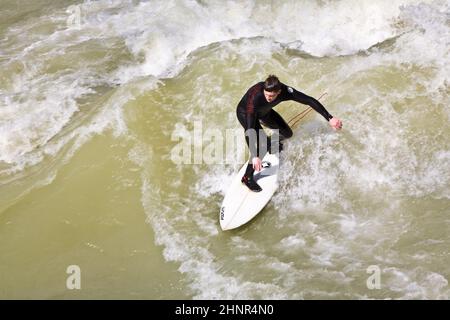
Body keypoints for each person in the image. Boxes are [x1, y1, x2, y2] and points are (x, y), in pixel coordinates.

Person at [236, 75, 343, 192]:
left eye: (271, 96)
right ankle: (247, 177)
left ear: (279, 92)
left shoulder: (286, 92)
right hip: (245, 114)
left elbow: (309, 100)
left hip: (265, 112)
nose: (268, 98)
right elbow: (249, 130)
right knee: (261, 145)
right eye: (266, 94)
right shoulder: (255, 98)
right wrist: (255, 156)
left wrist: (330, 118)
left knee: (287, 133)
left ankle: (270, 143)